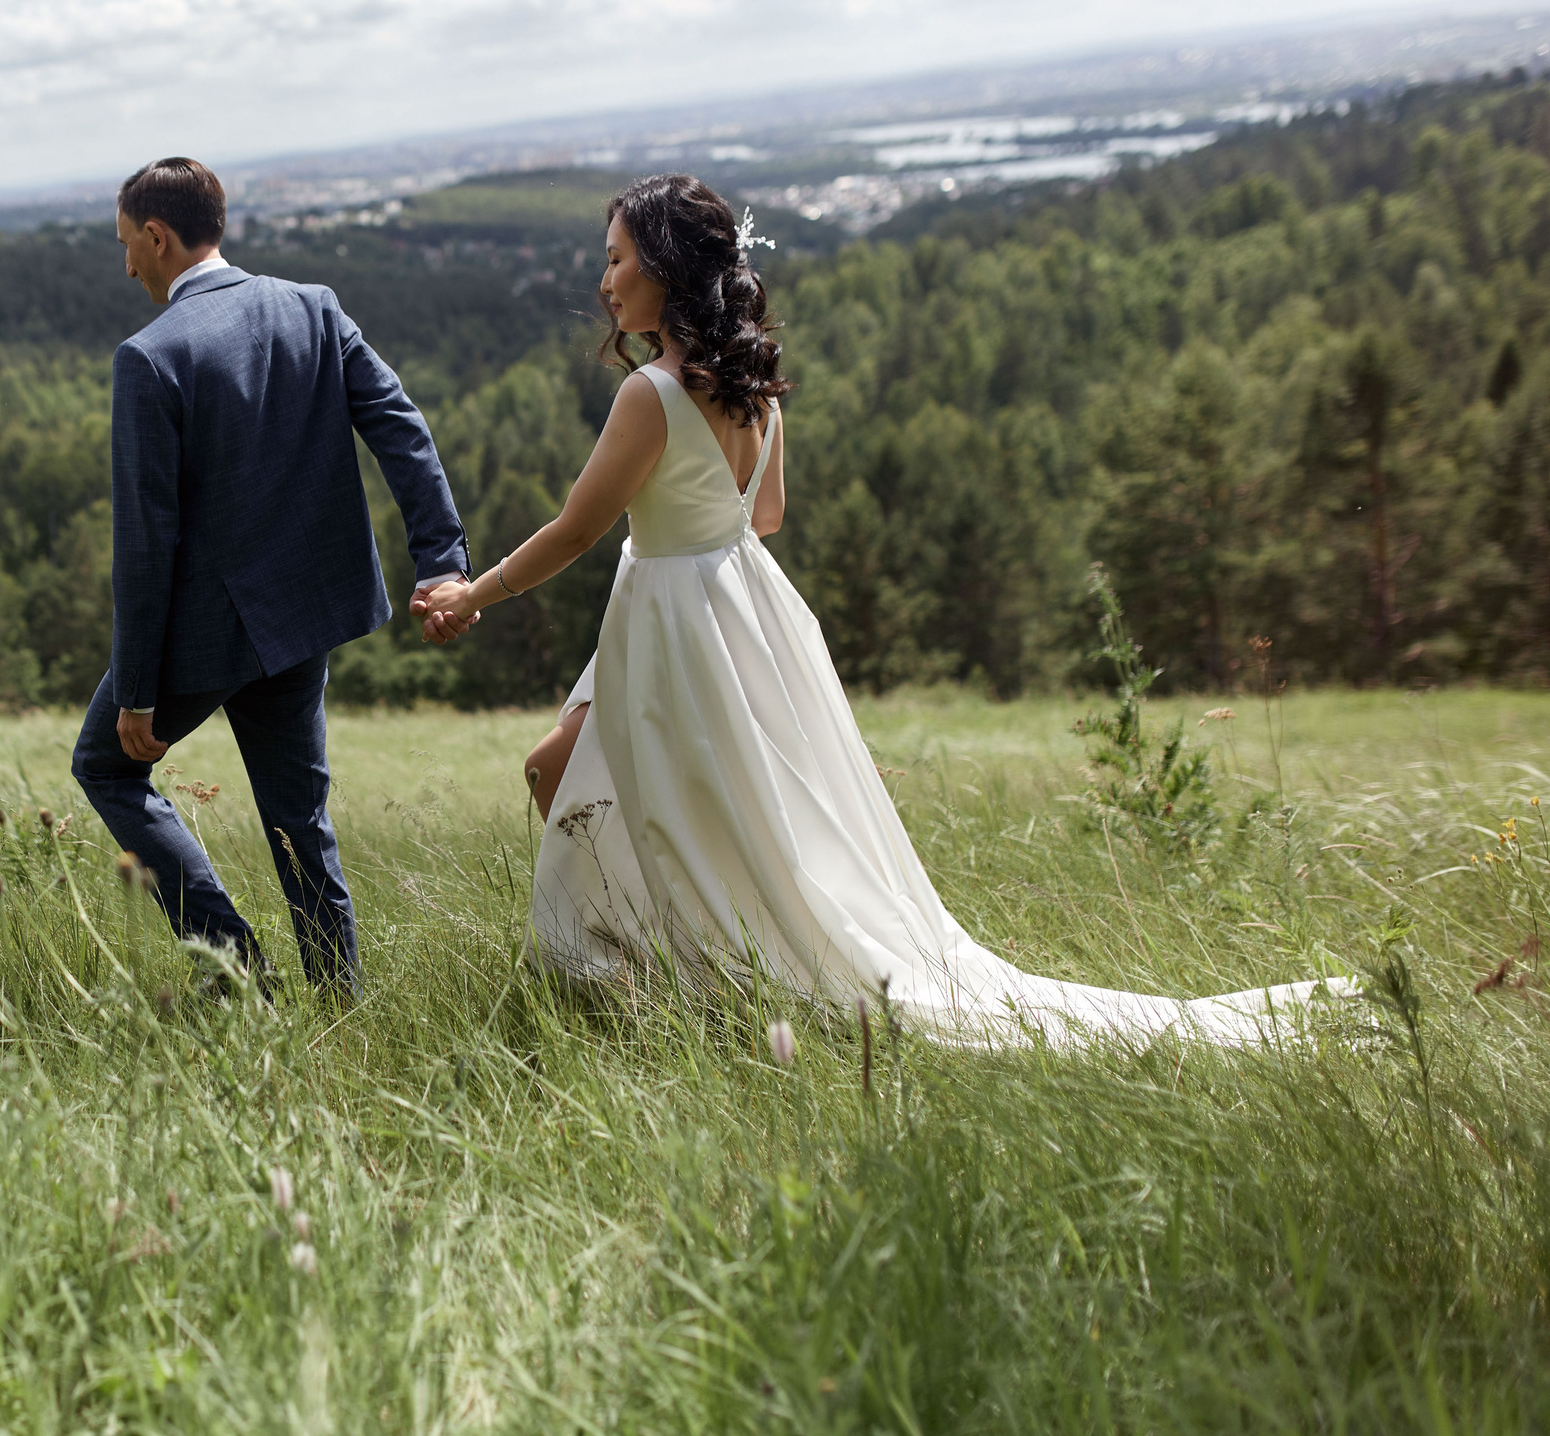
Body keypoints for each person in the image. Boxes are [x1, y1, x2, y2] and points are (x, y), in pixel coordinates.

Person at [413, 174, 1346, 1047]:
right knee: (574, 774)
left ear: (663, 267)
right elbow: (764, 514)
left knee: (659, 805)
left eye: (616, 258)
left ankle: (674, 986)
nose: (604, 279)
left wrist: (472, 590)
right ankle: (649, 971)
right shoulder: (751, 382)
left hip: (679, 616)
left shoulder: (650, 393)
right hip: (727, 603)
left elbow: (578, 530)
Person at [74, 157, 469, 998]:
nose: (127, 264)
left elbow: (145, 541)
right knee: (301, 824)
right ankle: (339, 999)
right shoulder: (312, 307)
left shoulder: (146, 358)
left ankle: (234, 963)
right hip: (302, 619)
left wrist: (139, 686)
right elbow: (402, 428)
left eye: (128, 245)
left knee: (106, 764)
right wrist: (439, 557)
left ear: (158, 234)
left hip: (202, 635)